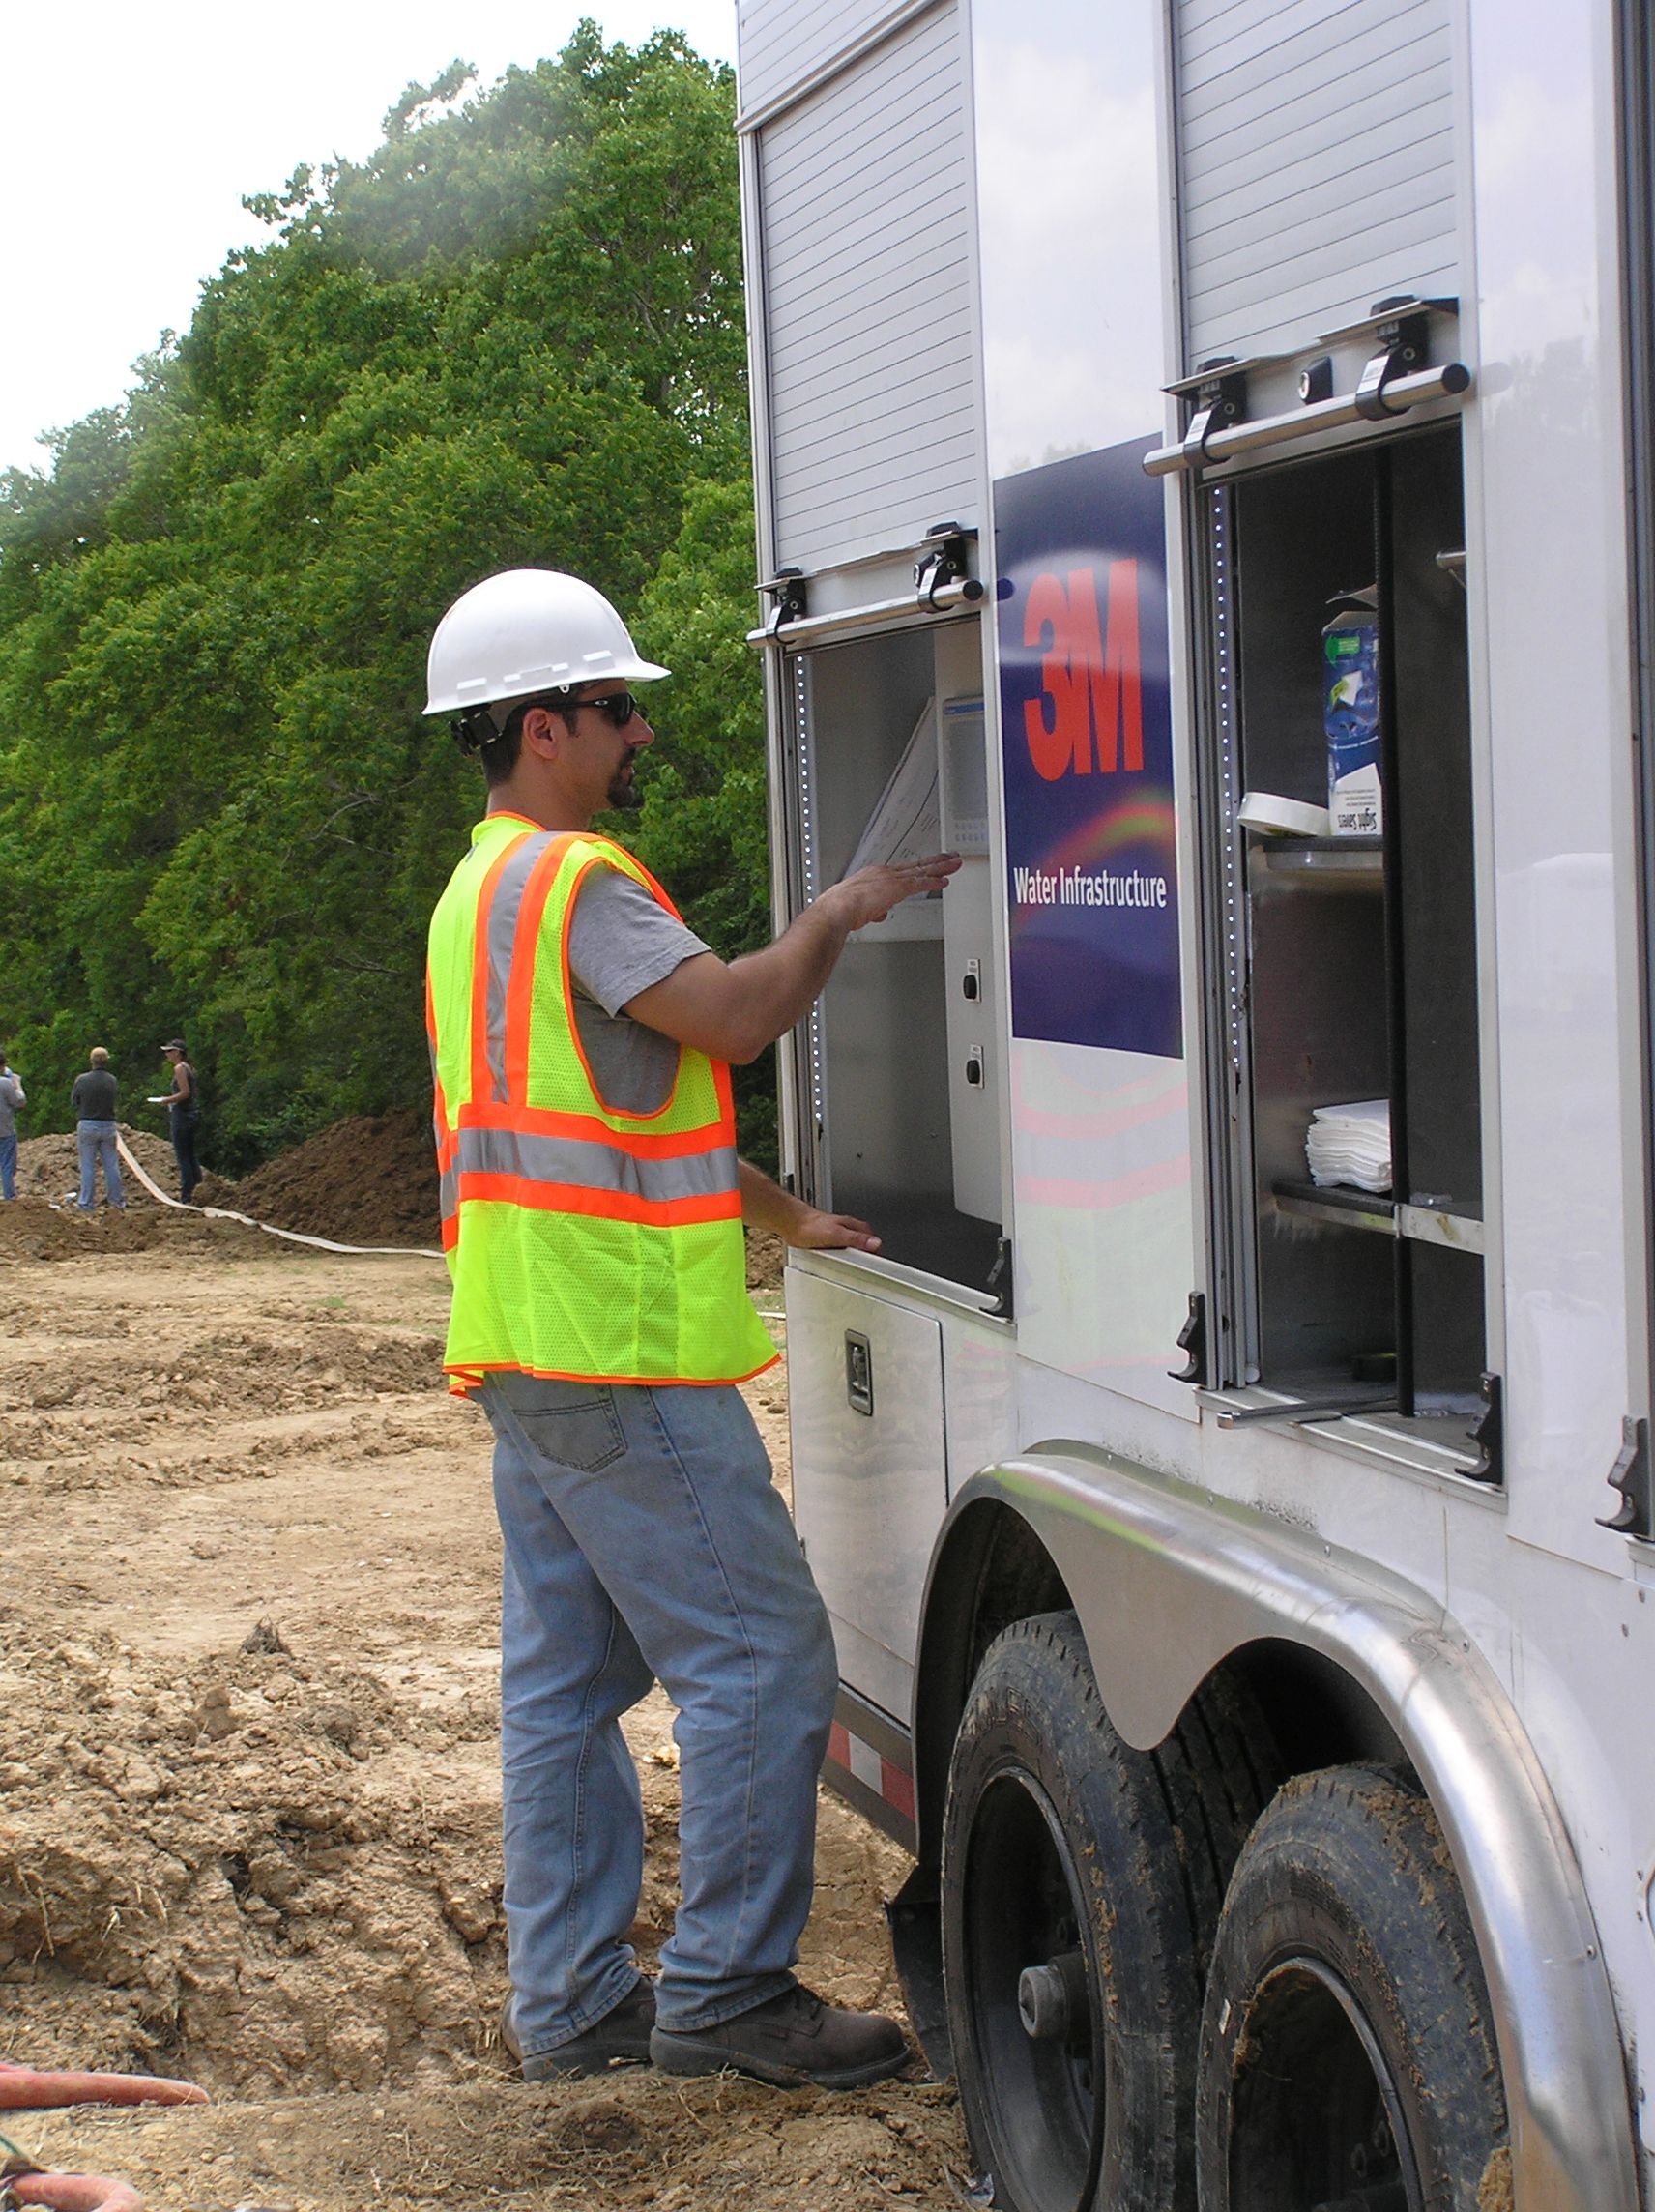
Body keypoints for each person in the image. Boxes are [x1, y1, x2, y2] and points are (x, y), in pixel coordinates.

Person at [424, 568, 959, 2091]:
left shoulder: (479, 891)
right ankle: (725, 1996)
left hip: (529, 1345)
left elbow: (619, 1103)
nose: (637, 731)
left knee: (565, 1687)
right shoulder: (580, 882)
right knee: (764, 1658)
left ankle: (577, 2009)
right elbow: (726, 1021)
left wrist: (787, 1222)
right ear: (544, 729)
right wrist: (837, 916)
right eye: (614, 708)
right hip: (620, 1352)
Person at [71, 1047, 125, 1212]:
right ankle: (116, 1201)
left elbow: (74, 1102)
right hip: (108, 1124)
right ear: (107, 1060)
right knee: (111, 1164)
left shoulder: (82, 1080)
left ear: (91, 1061)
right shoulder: (112, 1080)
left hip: (87, 1123)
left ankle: (86, 1203)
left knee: (87, 1165)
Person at [159, 1041, 202, 1203]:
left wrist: (167, 1100)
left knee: (182, 1155)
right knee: (190, 1154)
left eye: (170, 1051)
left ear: (178, 1052)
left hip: (182, 1114)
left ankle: (187, 1194)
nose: (167, 1054)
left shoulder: (179, 1069)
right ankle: (199, 1188)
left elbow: (185, 1093)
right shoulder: (189, 1068)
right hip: (191, 1114)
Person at [0, 1053, 22, 1200]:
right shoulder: (5, 1083)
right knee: (7, 1166)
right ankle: (9, 1197)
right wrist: (17, 1084)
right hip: (5, 1130)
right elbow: (20, 1102)